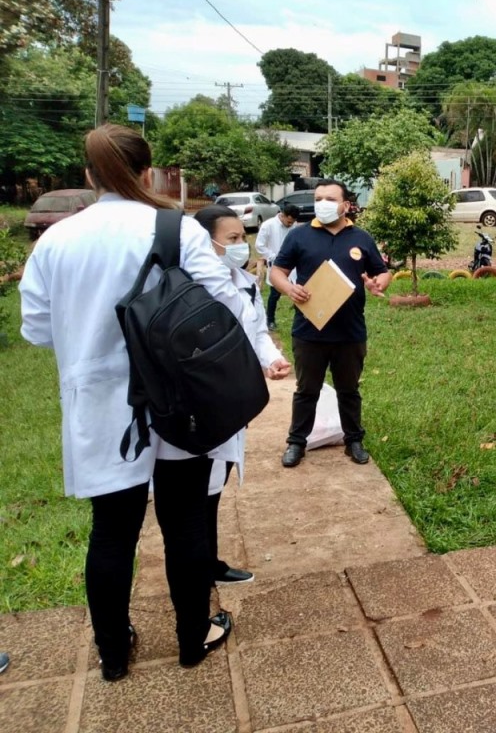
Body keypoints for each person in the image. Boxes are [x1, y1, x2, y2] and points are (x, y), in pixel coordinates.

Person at [19, 124, 238, 679]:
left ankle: (113, 653)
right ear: (148, 173)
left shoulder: (56, 240)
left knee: (112, 531)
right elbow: (221, 304)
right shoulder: (176, 228)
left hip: (98, 404)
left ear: (90, 176)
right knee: (186, 522)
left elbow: (38, 330)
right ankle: (193, 639)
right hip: (180, 399)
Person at [194, 205, 292, 585]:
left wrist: (272, 359)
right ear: (205, 242)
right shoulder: (193, 287)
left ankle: (208, 562)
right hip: (204, 401)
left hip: (236, 399)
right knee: (200, 488)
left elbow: (257, 332)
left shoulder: (244, 281)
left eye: (242, 237)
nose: (241, 245)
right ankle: (199, 567)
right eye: (232, 239)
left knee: (215, 486)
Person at [271, 180, 391, 468]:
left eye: (329, 198)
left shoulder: (361, 238)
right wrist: (289, 288)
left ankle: (354, 440)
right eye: (318, 198)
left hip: (350, 331)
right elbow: (277, 271)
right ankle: (296, 442)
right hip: (309, 330)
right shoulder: (299, 235)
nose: (322, 203)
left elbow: (381, 272)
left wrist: (377, 283)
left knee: (348, 389)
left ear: (345, 205)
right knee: (306, 390)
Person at [255, 203, 299, 330]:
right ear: (283, 215)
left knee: (298, 289)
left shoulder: (294, 226)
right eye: (289, 221)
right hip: (277, 264)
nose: (290, 224)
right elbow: (259, 245)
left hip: (293, 264)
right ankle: (270, 320)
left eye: (293, 222)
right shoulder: (268, 225)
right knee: (275, 294)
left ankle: (300, 318)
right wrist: (273, 256)